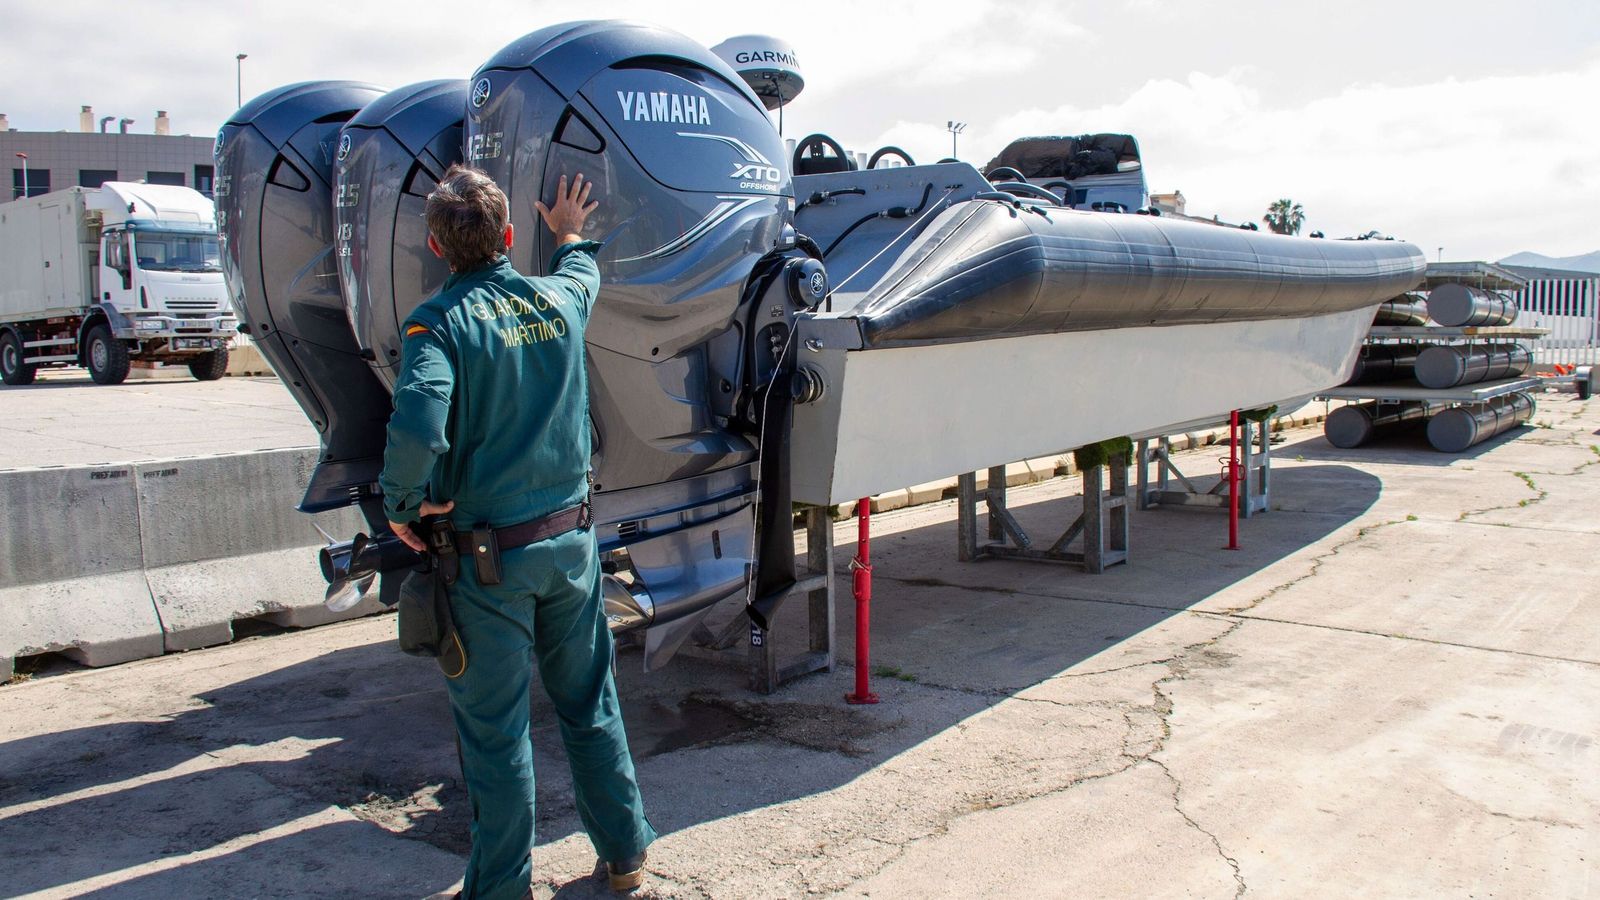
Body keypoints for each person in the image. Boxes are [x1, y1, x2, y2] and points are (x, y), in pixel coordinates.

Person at [379, 164, 655, 898]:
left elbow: (418, 421)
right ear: (506, 236)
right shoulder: (558, 305)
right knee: (589, 704)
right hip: (571, 550)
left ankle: (501, 889)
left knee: (498, 739)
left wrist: (403, 503)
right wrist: (568, 229)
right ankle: (625, 856)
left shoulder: (436, 324)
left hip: (487, 566)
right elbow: (578, 270)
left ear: (437, 249)